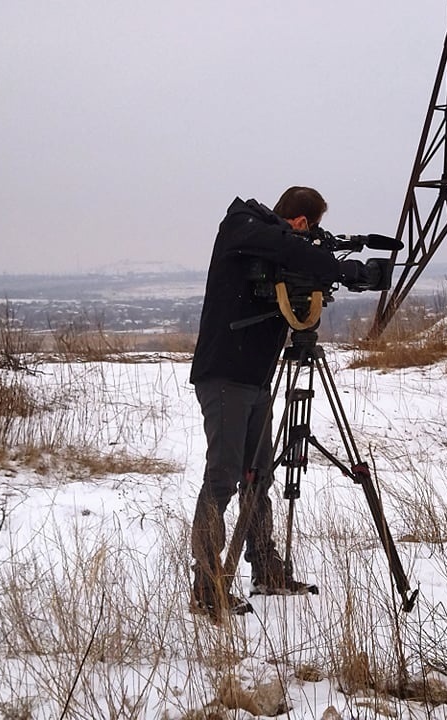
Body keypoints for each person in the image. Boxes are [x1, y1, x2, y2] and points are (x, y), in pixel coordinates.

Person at [189, 186, 352, 617]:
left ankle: (265, 568)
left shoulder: (275, 245)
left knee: (258, 476)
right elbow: (281, 243)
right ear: (300, 221)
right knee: (223, 477)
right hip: (225, 375)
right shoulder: (242, 226)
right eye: (306, 228)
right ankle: (207, 583)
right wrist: (331, 263)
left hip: (258, 378)